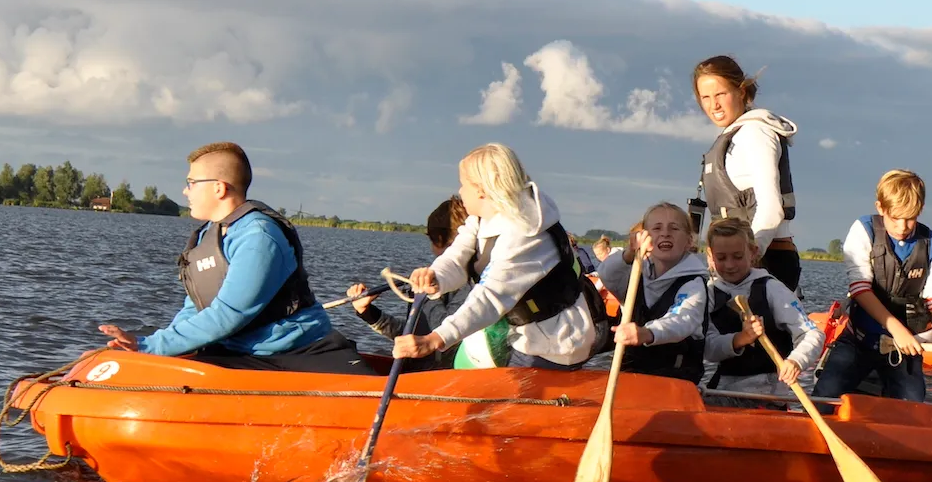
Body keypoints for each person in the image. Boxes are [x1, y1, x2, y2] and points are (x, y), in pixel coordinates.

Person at [99, 141, 373, 375]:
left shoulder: (259, 237)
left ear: (219, 188)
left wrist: (150, 345)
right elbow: (196, 309)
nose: (185, 191)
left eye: (191, 183)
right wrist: (155, 349)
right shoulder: (210, 235)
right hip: (238, 352)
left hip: (298, 354)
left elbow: (229, 314)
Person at [389, 144, 604, 371]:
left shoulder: (525, 234)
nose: (460, 192)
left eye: (463, 184)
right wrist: (436, 277)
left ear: (481, 190)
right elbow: (456, 257)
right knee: (465, 361)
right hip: (522, 331)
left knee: (485, 384)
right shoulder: (481, 220)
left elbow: (490, 297)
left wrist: (435, 339)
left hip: (557, 341)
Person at [812, 169, 932, 402]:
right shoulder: (863, 230)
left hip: (906, 346)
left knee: (912, 408)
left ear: (920, 210)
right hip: (860, 339)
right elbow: (860, 289)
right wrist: (897, 329)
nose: (903, 226)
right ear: (880, 208)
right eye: (895, 218)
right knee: (824, 397)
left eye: (910, 218)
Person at [692, 55, 803, 293]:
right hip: (739, 263)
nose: (714, 105)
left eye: (720, 94)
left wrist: (747, 259)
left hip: (764, 261)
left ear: (741, 92)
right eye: (706, 98)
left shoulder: (756, 133)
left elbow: (771, 209)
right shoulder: (733, 135)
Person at [345, 196, 472, 369]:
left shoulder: (471, 284)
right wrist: (368, 312)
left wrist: (426, 293)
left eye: (432, 241)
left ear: (439, 239)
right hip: (420, 372)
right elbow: (415, 336)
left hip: (443, 379)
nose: (431, 249)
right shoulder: (442, 282)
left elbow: (442, 332)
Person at [702, 217, 823, 397]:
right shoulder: (708, 294)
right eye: (721, 258)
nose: (729, 265)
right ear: (710, 256)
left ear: (753, 252)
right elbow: (709, 349)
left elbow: (812, 334)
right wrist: (740, 339)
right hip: (724, 389)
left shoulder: (771, 289)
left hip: (768, 391)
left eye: (737, 256)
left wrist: (796, 361)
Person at [598, 202, 711, 383]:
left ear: (689, 241)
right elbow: (607, 275)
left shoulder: (694, 284)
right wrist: (629, 253)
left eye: (674, 228)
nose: (665, 233)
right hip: (631, 375)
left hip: (676, 381)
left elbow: (682, 319)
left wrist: (646, 333)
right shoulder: (636, 275)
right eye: (656, 228)